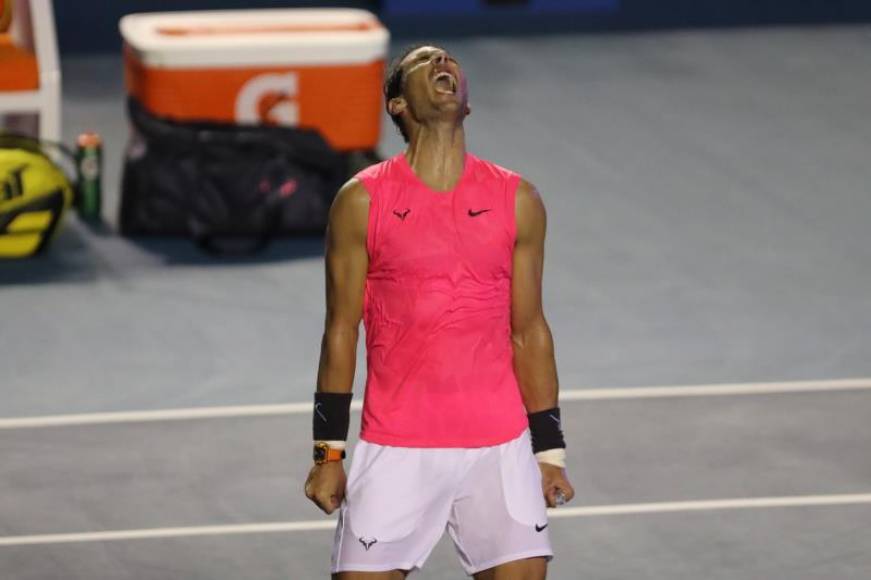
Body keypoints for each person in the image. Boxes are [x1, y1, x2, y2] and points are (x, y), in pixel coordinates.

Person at [304, 44, 575, 580]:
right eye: (425, 63)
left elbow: (529, 330)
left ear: (466, 105)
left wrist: (549, 452)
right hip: (396, 446)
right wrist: (328, 455)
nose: (443, 64)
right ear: (398, 105)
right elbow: (341, 331)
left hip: (500, 448)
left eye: (449, 61)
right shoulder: (361, 201)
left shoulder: (518, 199)